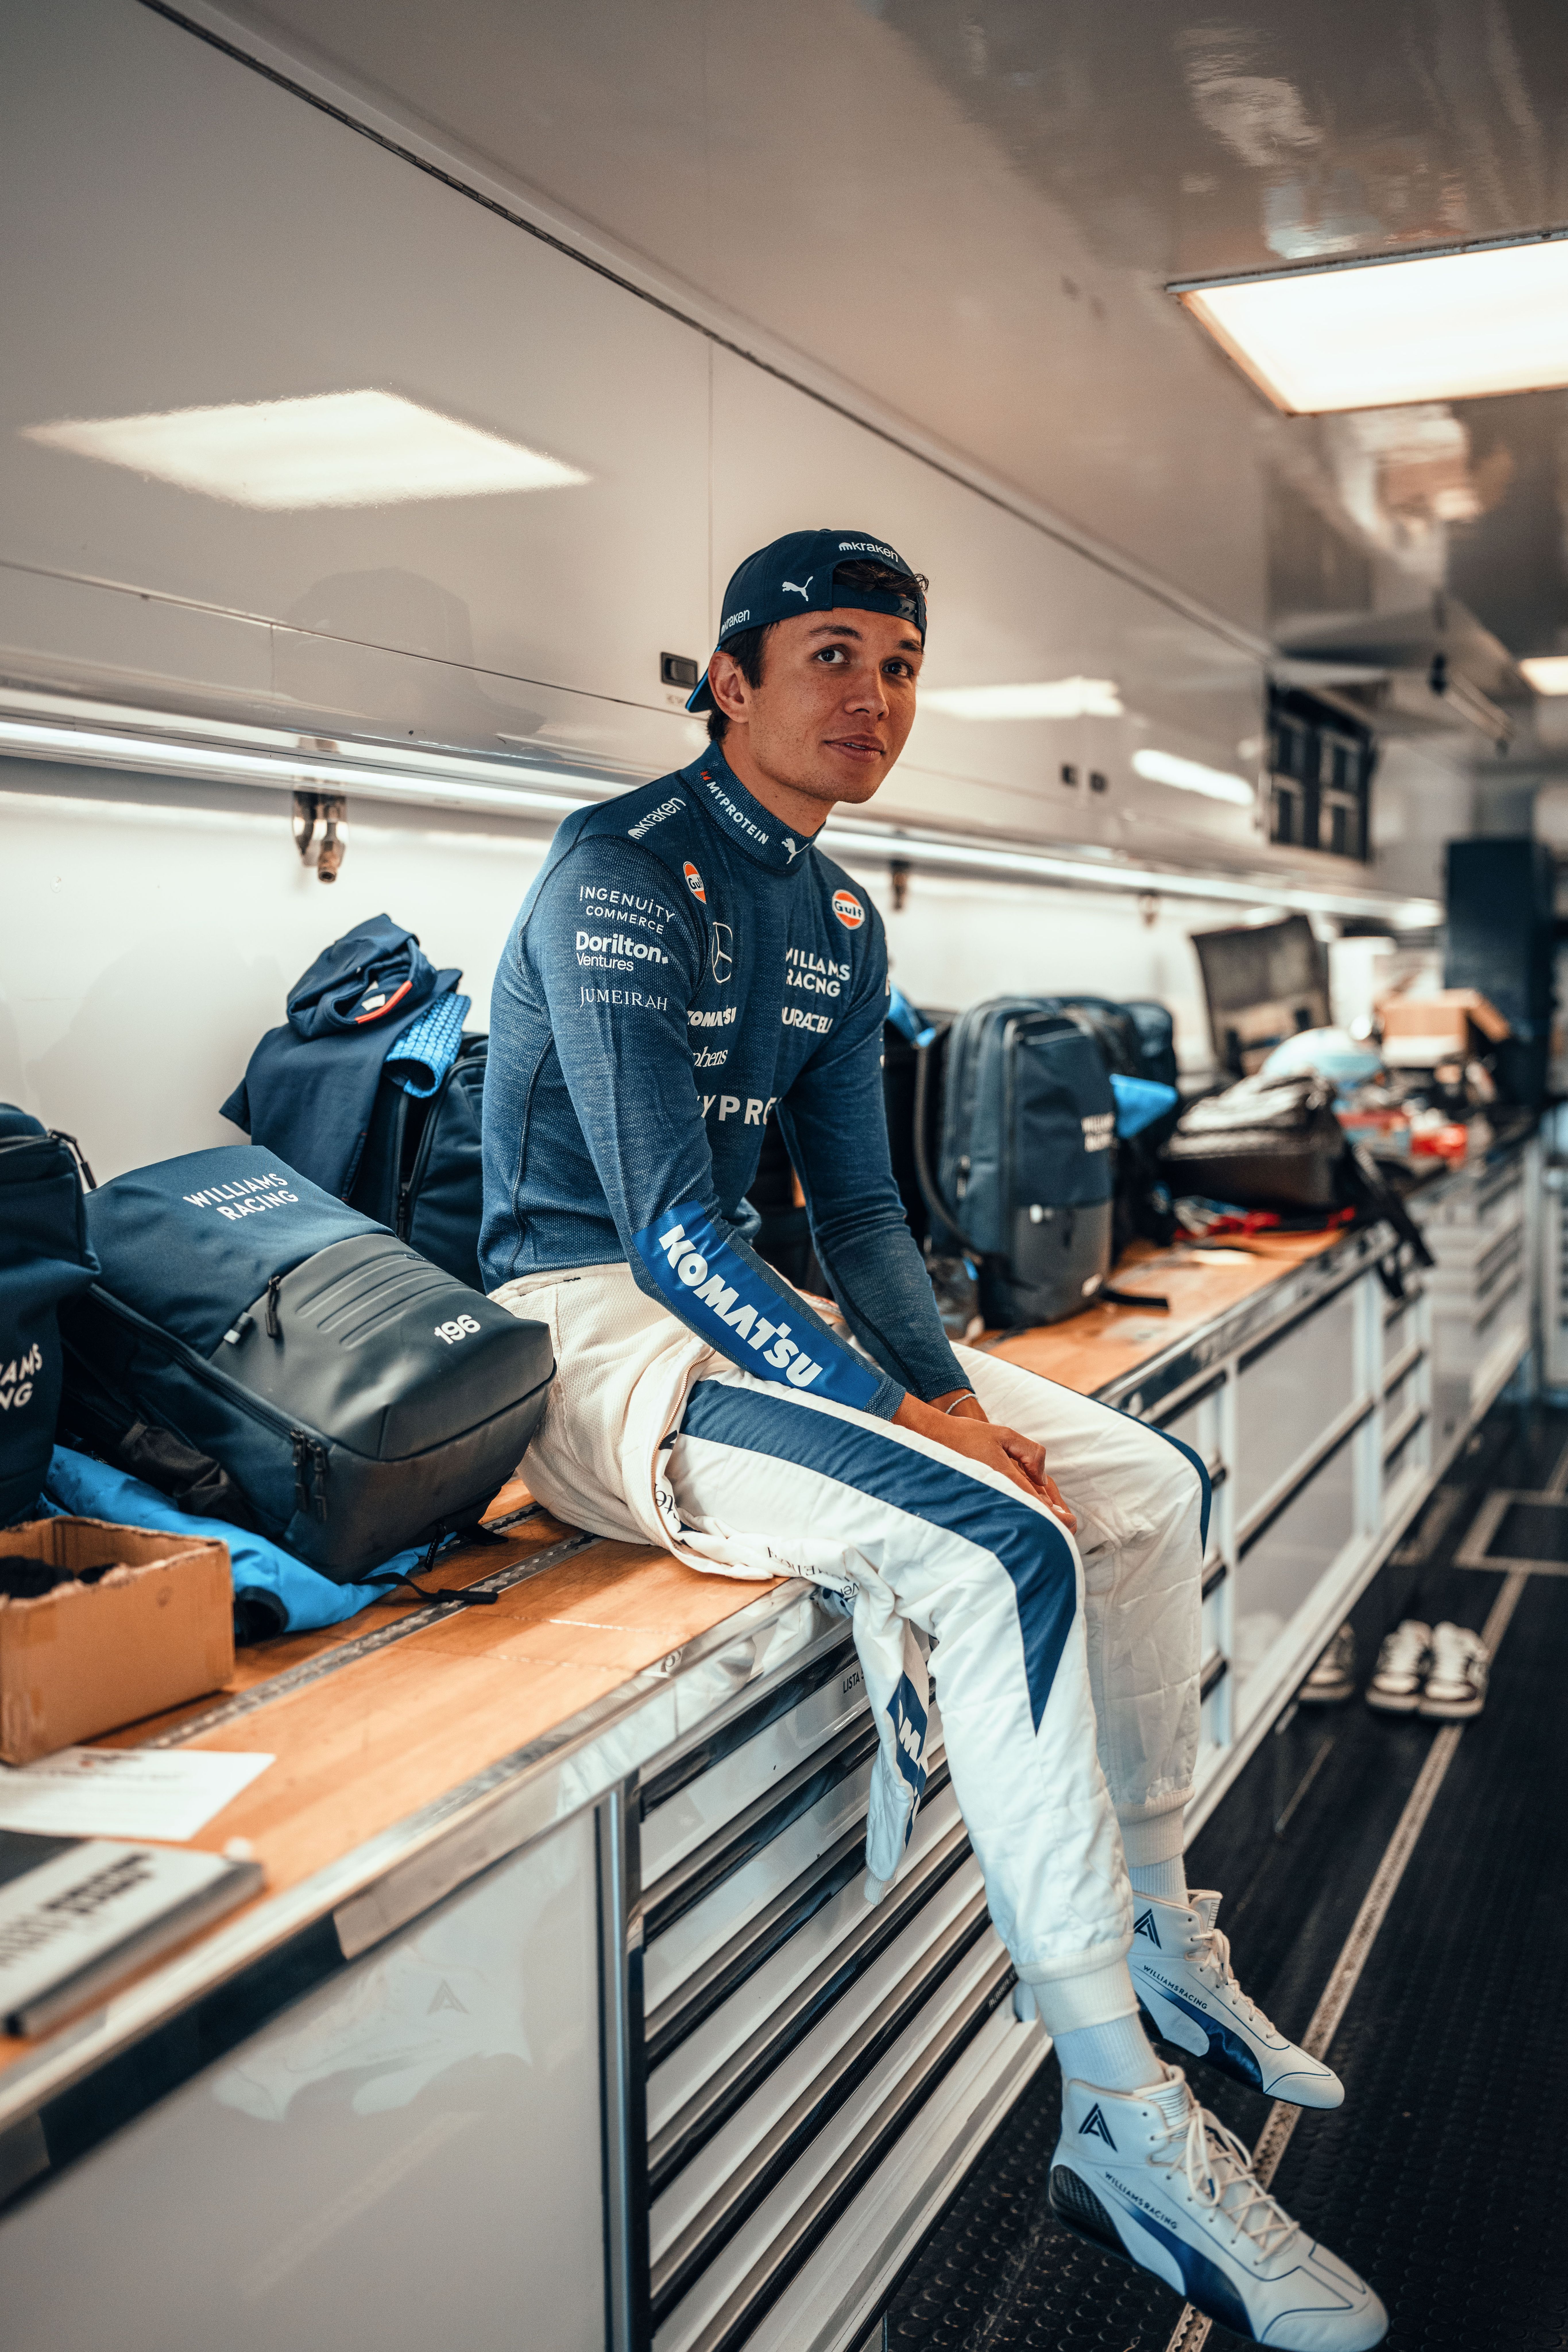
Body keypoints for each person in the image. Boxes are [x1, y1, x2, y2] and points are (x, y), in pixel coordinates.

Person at [479, 529, 1386, 2351]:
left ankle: (1150, 1918)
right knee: (1005, 1545)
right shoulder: (616, 873)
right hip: (584, 1337)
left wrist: (949, 1397)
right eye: (829, 656)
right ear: (728, 680)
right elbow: (662, 1225)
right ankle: (1123, 2121)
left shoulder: (834, 914)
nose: (870, 698)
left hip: (744, 1304)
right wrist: (900, 1421)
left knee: (1139, 1478)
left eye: (898, 664)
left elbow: (868, 1221)